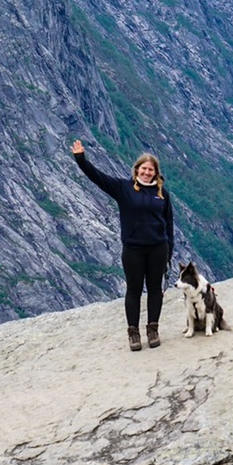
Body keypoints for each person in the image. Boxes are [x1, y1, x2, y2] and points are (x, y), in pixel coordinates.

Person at [71, 139, 174, 350]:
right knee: (134, 291)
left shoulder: (162, 193)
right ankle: (133, 334)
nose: (147, 173)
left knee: (155, 290)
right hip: (133, 249)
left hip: (158, 248)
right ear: (136, 170)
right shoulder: (122, 188)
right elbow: (96, 177)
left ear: (155, 173)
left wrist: (169, 252)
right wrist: (81, 159)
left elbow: (168, 223)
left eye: (150, 170)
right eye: (143, 169)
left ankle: (152, 330)